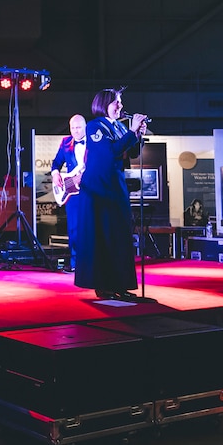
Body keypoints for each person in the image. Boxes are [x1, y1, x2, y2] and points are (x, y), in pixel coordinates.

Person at [74, 87, 153, 302]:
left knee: (120, 237)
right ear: (104, 103)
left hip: (115, 187)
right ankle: (103, 284)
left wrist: (137, 134)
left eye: (120, 102)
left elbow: (131, 153)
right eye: (116, 102)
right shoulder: (94, 126)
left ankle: (121, 283)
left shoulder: (118, 126)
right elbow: (110, 152)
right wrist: (131, 131)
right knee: (102, 237)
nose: (120, 106)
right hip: (99, 190)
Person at [50, 114, 86, 272]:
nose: (76, 131)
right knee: (74, 228)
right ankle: (75, 264)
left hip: (91, 189)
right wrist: (56, 173)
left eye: (78, 127)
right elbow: (56, 162)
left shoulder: (94, 140)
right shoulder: (65, 142)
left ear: (85, 127)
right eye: (73, 128)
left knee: (92, 227)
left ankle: (93, 263)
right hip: (72, 191)